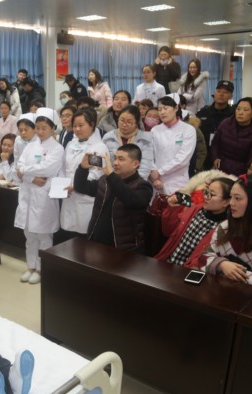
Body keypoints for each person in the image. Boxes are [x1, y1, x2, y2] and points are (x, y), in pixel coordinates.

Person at [15, 108, 64, 284]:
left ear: (53, 128)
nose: (40, 131)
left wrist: (25, 172)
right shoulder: (30, 146)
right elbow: (18, 167)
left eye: (44, 128)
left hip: (44, 197)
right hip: (28, 194)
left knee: (44, 236)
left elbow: (47, 169)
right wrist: (31, 177)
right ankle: (30, 266)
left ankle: (42, 269)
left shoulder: (57, 149)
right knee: (29, 235)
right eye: (38, 127)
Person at [73, 144, 153, 252]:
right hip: (96, 241)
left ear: (135, 164)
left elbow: (131, 201)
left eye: (121, 159)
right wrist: (82, 168)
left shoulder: (143, 186)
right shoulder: (105, 180)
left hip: (125, 248)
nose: (115, 163)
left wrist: (111, 175)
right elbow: (80, 187)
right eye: (115, 158)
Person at [155, 177, 234, 267]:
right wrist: (172, 209)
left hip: (187, 271)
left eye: (211, 194)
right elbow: (168, 231)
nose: (205, 197)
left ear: (226, 202)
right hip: (166, 263)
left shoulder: (224, 228)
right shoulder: (196, 209)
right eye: (206, 192)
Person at [59, 108, 108, 242]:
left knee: (82, 239)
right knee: (67, 237)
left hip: (85, 198)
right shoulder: (70, 144)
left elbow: (96, 174)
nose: (77, 129)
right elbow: (63, 167)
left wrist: (75, 186)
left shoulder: (99, 147)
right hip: (68, 196)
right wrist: (62, 185)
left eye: (81, 125)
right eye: (75, 125)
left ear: (92, 125)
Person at [150, 94, 197, 194]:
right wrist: (154, 174)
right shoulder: (155, 130)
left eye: (165, 108)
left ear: (176, 108)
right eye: (159, 109)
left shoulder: (188, 130)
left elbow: (183, 158)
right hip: (157, 181)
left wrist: (160, 172)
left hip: (178, 181)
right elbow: (149, 154)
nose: (162, 112)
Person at [210, 97, 252, 176]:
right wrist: (215, 157)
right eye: (238, 109)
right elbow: (215, 143)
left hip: (241, 172)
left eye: (245, 110)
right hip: (219, 168)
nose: (240, 113)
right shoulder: (225, 123)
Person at [103, 105, 154, 179]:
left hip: (135, 182)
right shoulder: (108, 138)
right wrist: (113, 180)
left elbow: (145, 168)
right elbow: (104, 163)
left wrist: (133, 183)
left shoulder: (145, 140)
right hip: (111, 179)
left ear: (136, 123)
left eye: (129, 122)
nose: (124, 125)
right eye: (122, 120)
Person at [197, 80, 235, 170]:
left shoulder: (234, 115)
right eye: (219, 91)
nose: (221, 94)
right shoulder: (203, 113)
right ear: (214, 93)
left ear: (231, 96)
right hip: (204, 156)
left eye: (225, 92)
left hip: (225, 156)